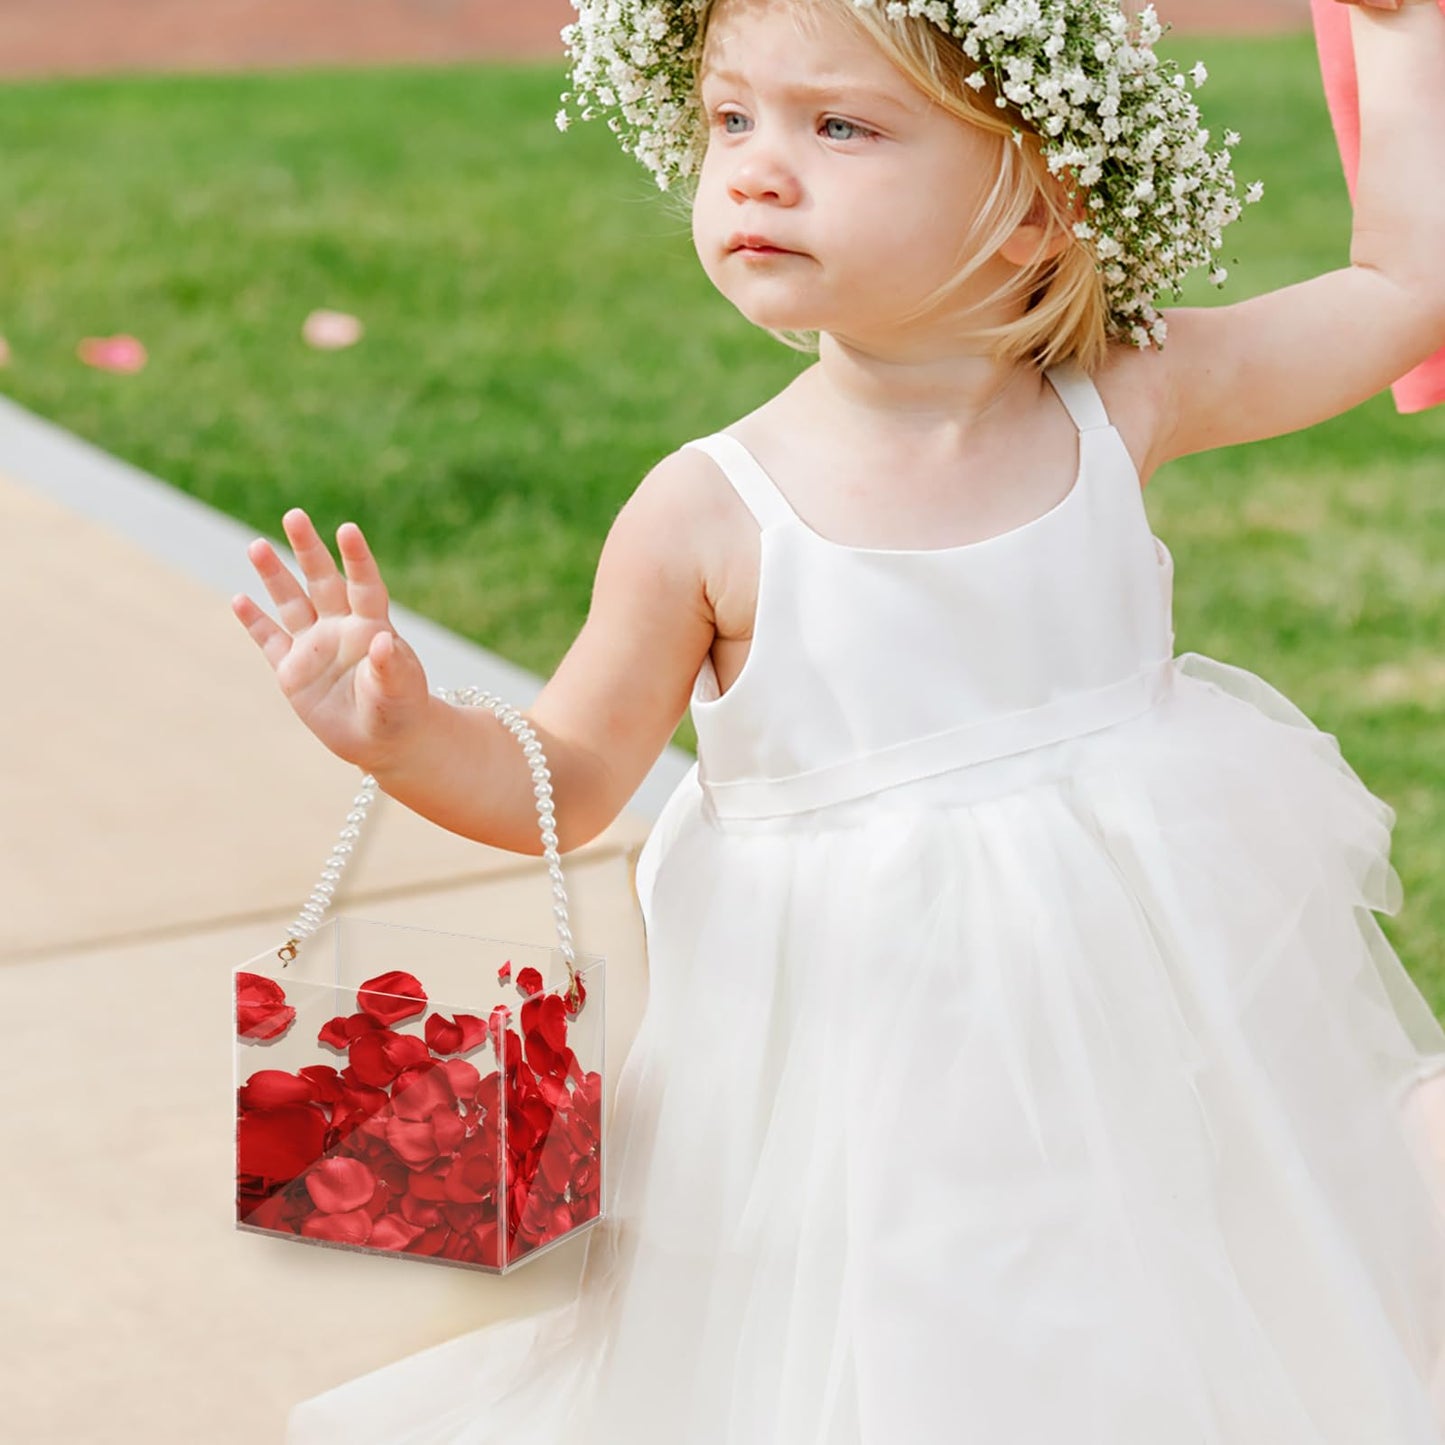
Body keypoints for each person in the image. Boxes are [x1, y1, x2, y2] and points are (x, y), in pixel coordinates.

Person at [235, 0, 1445, 1439]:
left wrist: (1397, 33)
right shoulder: (709, 512)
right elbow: (564, 773)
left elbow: (1401, 291)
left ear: (1034, 204)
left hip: (1134, 1034)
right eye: (730, 119)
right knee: (905, 1363)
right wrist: (403, 733)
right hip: (859, 1091)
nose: (755, 167)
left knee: (1153, 1319)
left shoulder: (1123, 398)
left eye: (840, 126)